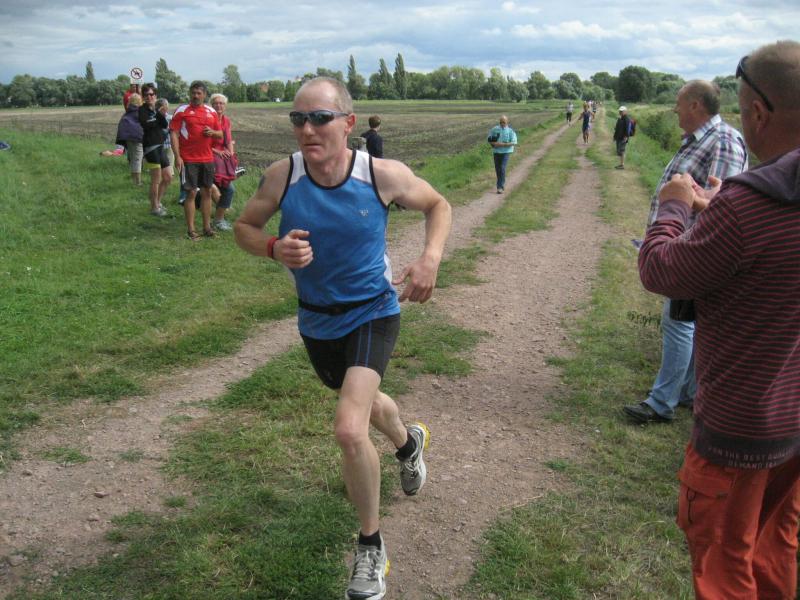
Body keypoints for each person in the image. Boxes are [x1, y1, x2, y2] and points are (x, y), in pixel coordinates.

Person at [233, 76, 451, 600]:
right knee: (367, 404)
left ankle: (370, 549)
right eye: (298, 119)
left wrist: (430, 258)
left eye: (319, 118)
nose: (307, 129)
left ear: (348, 123)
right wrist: (272, 248)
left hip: (373, 312)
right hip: (317, 321)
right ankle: (408, 443)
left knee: (350, 429)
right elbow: (243, 228)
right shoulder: (283, 176)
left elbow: (438, 205)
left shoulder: (379, 174)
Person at [638, 40, 800, 600]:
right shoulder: (763, 203)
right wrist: (719, 212)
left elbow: (661, 270)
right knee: (773, 549)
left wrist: (674, 205)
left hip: (740, 429)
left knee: (724, 565)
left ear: (757, 111)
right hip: (793, 417)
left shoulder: (748, 205)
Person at [623, 80, 747, 424]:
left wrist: (683, 206)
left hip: (696, 249)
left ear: (695, 105)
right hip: (684, 243)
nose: (674, 108)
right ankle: (689, 393)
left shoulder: (723, 141)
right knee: (688, 320)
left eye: (679, 102)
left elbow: (724, 207)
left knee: (677, 322)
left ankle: (661, 403)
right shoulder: (700, 139)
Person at [170, 81, 223, 241]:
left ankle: (207, 228)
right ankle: (191, 230)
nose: (195, 96)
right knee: (191, 192)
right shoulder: (182, 111)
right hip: (188, 159)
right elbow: (174, 133)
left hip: (207, 159)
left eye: (199, 93)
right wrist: (177, 156)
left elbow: (220, 134)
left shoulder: (211, 112)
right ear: (190, 94)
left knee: (207, 192)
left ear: (204, 95)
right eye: (193, 93)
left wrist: (212, 132)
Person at [138, 83, 172, 217]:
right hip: (150, 147)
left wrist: (159, 114)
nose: (149, 97)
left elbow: (164, 124)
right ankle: (154, 208)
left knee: (168, 177)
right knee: (156, 179)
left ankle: (157, 201)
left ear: (155, 96)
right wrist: (157, 117)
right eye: (146, 95)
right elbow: (146, 125)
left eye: (151, 94)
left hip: (160, 146)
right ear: (143, 97)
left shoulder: (155, 110)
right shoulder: (142, 110)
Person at [209, 93, 237, 231]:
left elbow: (228, 140)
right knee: (227, 189)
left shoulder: (226, 121)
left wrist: (231, 155)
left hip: (222, 159)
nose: (219, 105)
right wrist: (218, 152)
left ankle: (219, 218)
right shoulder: (208, 120)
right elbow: (202, 143)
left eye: (221, 103)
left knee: (227, 189)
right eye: (216, 103)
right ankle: (218, 220)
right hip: (208, 156)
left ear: (225, 106)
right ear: (211, 105)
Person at [115, 93, 143, 186]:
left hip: (128, 138)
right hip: (138, 138)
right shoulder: (140, 112)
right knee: (137, 159)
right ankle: (137, 182)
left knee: (133, 159)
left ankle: (134, 181)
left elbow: (123, 124)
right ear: (139, 101)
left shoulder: (127, 112)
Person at [487, 115, 517, 193]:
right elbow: (489, 139)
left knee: (502, 168)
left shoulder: (511, 131)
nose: (502, 124)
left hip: (506, 152)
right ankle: (500, 184)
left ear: (507, 122)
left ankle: (500, 187)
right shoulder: (494, 129)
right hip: (496, 152)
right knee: (498, 169)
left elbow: (514, 142)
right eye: (500, 122)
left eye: (503, 122)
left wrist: (503, 144)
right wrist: (494, 144)